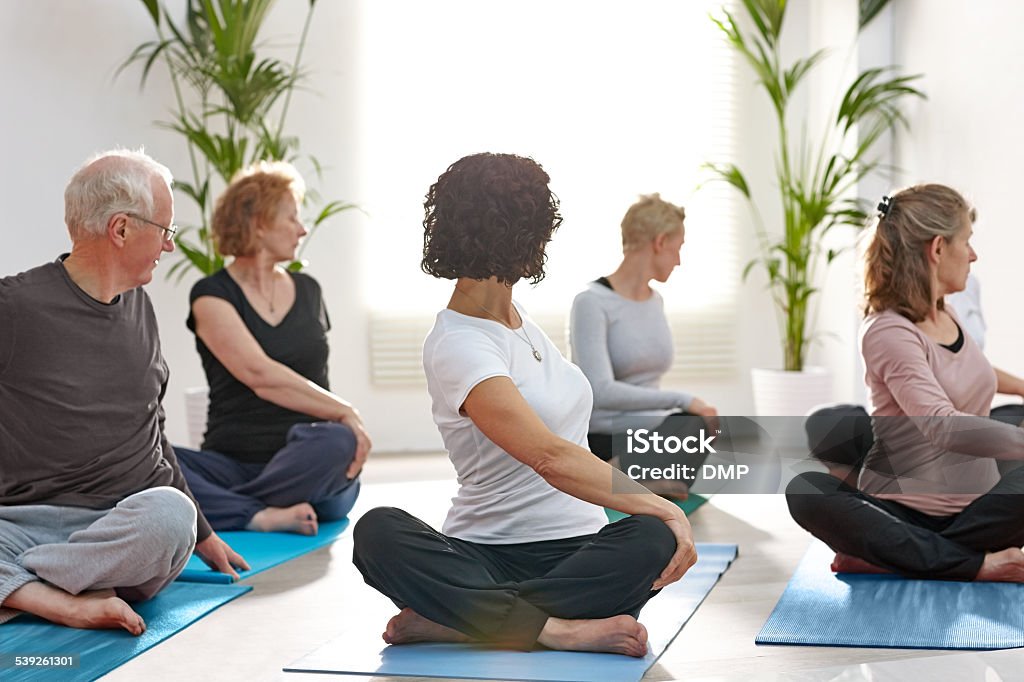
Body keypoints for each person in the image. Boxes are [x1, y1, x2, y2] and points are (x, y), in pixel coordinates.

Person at [352, 153, 695, 657]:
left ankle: (468, 621)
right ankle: (557, 628)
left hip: (577, 550)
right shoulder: (459, 342)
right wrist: (662, 505)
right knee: (377, 531)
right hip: (482, 555)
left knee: (647, 539)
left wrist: (653, 519)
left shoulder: (521, 322)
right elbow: (548, 456)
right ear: (521, 233)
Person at [0, 148, 247, 635]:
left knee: (169, 515)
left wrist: (201, 531)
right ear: (121, 229)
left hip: (120, 526)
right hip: (23, 524)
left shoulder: (141, 309)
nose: (170, 246)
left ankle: (26, 588)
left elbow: (152, 434)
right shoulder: (14, 307)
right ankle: (67, 599)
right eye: (166, 230)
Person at [787, 184, 1024, 581]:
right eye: (966, 241)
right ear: (937, 249)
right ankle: (971, 562)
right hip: (900, 510)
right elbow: (941, 425)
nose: (973, 254)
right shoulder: (887, 331)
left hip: (973, 508)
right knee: (806, 490)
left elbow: (970, 369)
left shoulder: (944, 312)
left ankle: (894, 554)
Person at [174, 161, 369, 536]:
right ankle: (260, 514)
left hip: (309, 461)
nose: (303, 229)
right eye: (292, 217)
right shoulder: (211, 295)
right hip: (233, 460)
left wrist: (341, 422)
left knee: (338, 442)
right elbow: (259, 375)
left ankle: (229, 507)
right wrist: (346, 410)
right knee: (153, 461)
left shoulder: (308, 290)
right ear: (259, 224)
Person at [569, 193, 718, 498]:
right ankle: (615, 477)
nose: (679, 260)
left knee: (697, 426)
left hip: (648, 430)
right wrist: (685, 399)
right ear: (660, 242)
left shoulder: (655, 301)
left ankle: (629, 482)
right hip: (604, 435)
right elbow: (599, 390)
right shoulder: (591, 302)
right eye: (678, 249)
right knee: (690, 423)